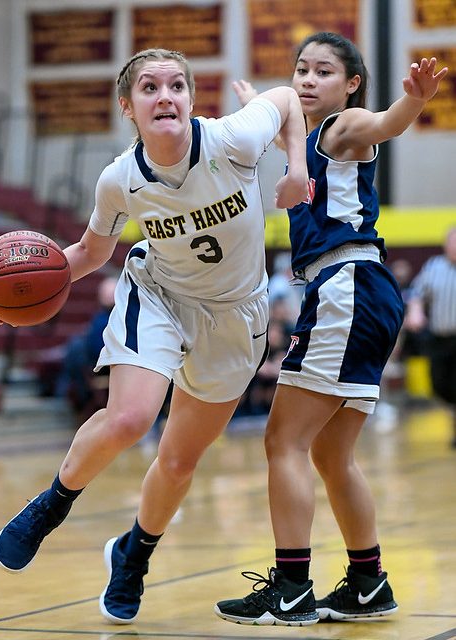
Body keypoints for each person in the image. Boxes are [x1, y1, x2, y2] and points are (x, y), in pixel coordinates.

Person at [0, 48, 308, 624]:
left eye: (177, 85)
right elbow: (88, 253)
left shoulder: (232, 138)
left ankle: (133, 555)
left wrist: (297, 167)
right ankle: (51, 505)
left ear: (189, 98)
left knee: (179, 462)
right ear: (128, 107)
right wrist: (21, 296)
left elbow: (283, 100)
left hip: (236, 316)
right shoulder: (120, 180)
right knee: (131, 419)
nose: (166, 96)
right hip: (159, 295)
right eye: (151, 88)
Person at [214, 32, 448, 626]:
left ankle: (291, 586)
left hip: (345, 286)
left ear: (350, 85)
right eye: (300, 69)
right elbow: (277, 131)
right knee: (330, 453)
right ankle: (368, 583)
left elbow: (382, 126)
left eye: (323, 71)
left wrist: (413, 105)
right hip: (359, 292)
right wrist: (250, 104)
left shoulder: (341, 129)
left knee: (282, 442)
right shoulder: (301, 142)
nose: (307, 79)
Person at [404, 227, 456, 448]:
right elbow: (416, 293)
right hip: (440, 338)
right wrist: (415, 311)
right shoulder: (434, 266)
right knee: (439, 385)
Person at [54, 274, 117, 416]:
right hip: (97, 365)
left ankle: (64, 388)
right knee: (75, 346)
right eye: (105, 294)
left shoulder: (111, 319)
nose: (107, 297)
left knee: (76, 346)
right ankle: (65, 388)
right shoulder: (101, 318)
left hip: (103, 366)